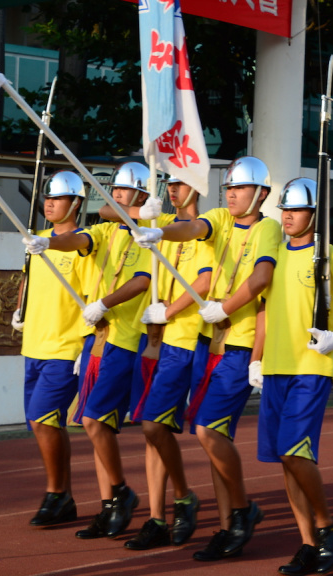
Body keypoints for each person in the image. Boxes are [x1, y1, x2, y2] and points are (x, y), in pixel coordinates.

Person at [133, 156, 280, 561]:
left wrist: (227, 307)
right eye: (229, 187)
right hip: (207, 346)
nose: (231, 193)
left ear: (261, 194)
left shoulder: (269, 229)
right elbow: (195, 226)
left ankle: (242, 510)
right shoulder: (220, 218)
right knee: (213, 437)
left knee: (208, 432)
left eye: (241, 188)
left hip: (236, 344)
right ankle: (230, 520)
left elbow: (262, 277)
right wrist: (160, 230)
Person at [25, 162, 153, 540]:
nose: (115, 196)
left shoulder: (147, 236)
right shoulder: (105, 231)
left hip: (124, 338)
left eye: (124, 191)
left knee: (96, 421)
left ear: (143, 196)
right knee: (92, 426)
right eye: (114, 189)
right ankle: (109, 502)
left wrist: (106, 303)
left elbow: (143, 280)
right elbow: (80, 238)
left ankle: (122, 495)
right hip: (95, 340)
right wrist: (49, 242)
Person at [260, 178, 333, 574]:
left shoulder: (332, 258)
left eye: (296, 210)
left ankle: (327, 526)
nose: (287, 216)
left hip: (312, 365)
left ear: (315, 215)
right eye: (284, 209)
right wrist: (257, 360)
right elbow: (262, 311)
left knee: (295, 450)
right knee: (285, 460)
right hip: (275, 366)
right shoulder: (273, 255)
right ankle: (307, 543)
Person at [122, 175, 212, 550]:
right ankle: (162, 512)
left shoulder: (207, 231)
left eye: (181, 183)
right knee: (152, 429)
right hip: (158, 341)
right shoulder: (158, 227)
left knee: (174, 429)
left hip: (191, 341)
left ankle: (194, 501)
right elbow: (107, 210)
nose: (173, 190)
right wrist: (145, 214)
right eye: (169, 183)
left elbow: (206, 282)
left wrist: (170, 311)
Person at [11, 171, 90, 528]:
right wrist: (19, 310)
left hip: (65, 346)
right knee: (43, 423)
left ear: (76, 203)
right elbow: (27, 281)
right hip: (34, 345)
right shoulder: (36, 239)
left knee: (44, 418)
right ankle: (65, 496)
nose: (50, 203)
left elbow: (91, 296)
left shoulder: (82, 245)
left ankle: (55, 493)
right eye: (48, 197)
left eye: (59, 198)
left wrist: (85, 346)